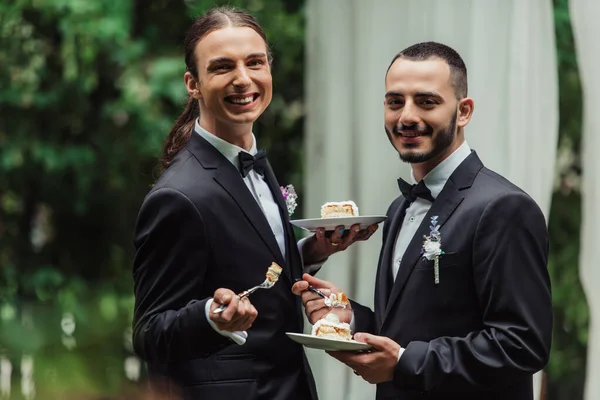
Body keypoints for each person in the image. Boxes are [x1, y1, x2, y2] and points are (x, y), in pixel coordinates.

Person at [131, 6, 377, 400]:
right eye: (222, 67)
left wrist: (311, 250)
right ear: (193, 84)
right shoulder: (176, 197)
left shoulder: (255, 161)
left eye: (255, 63)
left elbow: (249, 261)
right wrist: (212, 317)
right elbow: (150, 332)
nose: (243, 79)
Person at [293, 41, 552, 400]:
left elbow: (522, 344)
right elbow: (408, 328)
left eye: (427, 102)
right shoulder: (400, 207)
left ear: (463, 111)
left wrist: (403, 362)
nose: (407, 116)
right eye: (395, 102)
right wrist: (350, 318)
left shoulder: (504, 207)